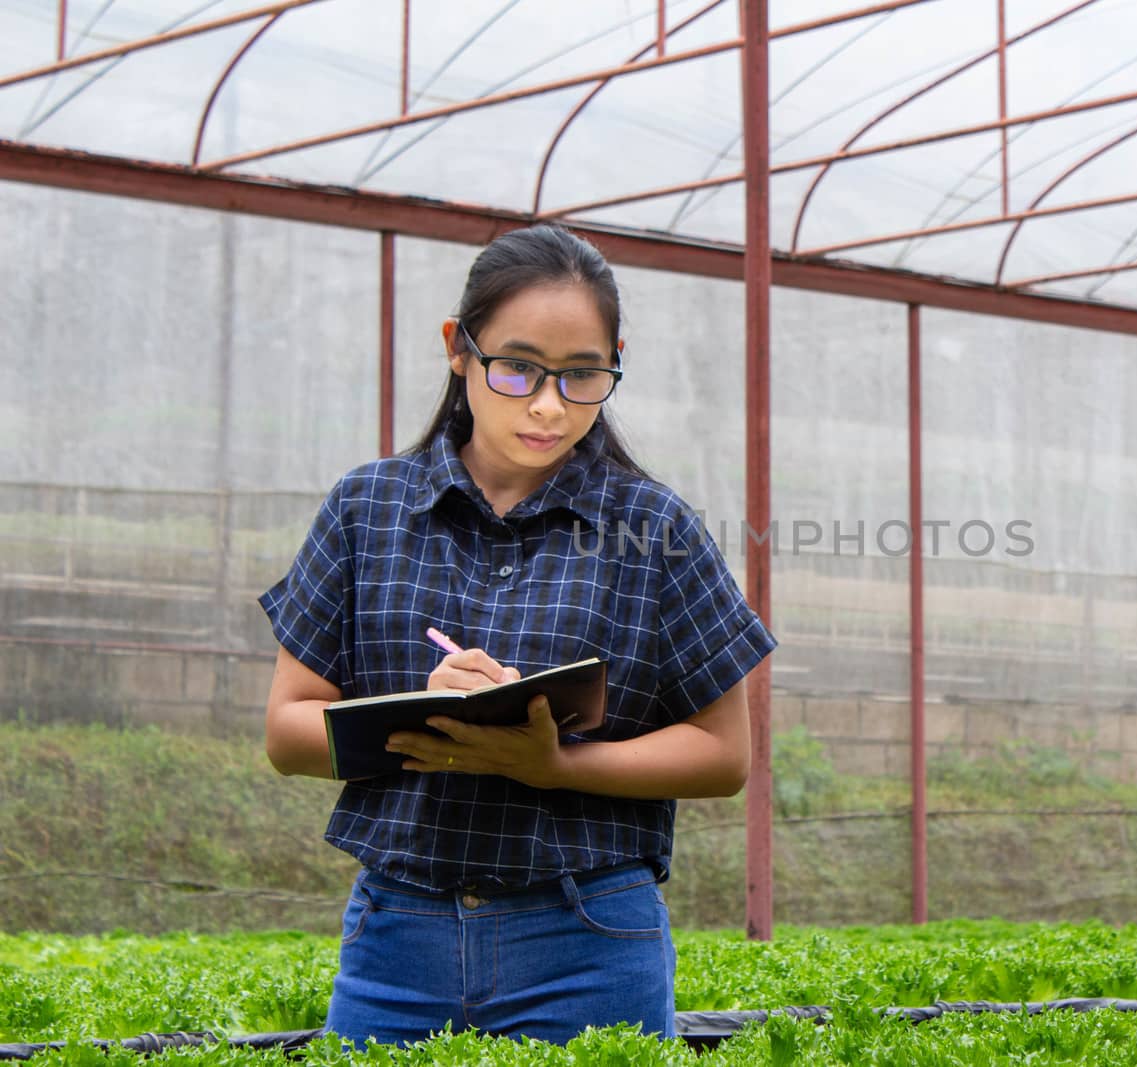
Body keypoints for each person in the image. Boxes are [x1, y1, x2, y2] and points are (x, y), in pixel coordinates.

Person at [259, 223, 775, 1048]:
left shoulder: (655, 527)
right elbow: (287, 731)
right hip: (398, 937)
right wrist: (423, 718)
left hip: (589, 937)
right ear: (457, 350)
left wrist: (553, 763)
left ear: (614, 363)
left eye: (581, 377)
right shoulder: (367, 509)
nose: (546, 404)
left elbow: (724, 754)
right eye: (518, 367)